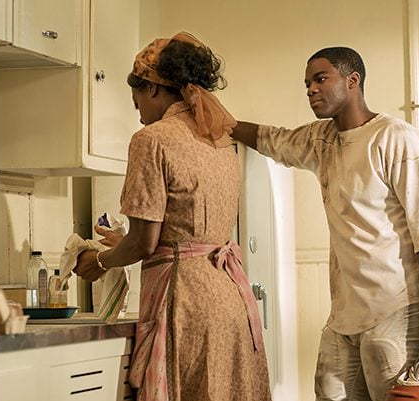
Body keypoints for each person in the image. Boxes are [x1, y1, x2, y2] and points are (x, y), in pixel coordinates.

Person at [230, 46, 419, 401]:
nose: (310, 89)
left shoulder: (395, 137)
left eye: (321, 79)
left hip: (395, 310)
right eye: (307, 83)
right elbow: (269, 139)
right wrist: (216, 120)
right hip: (342, 319)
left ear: (352, 81)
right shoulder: (320, 140)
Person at [73, 32, 272, 401]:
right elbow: (183, 233)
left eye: (137, 102)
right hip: (229, 299)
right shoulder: (220, 142)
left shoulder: (152, 139)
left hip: (187, 303)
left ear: (151, 88)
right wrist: (130, 245)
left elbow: (145, 241)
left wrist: (100, 260)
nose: (139, 112)